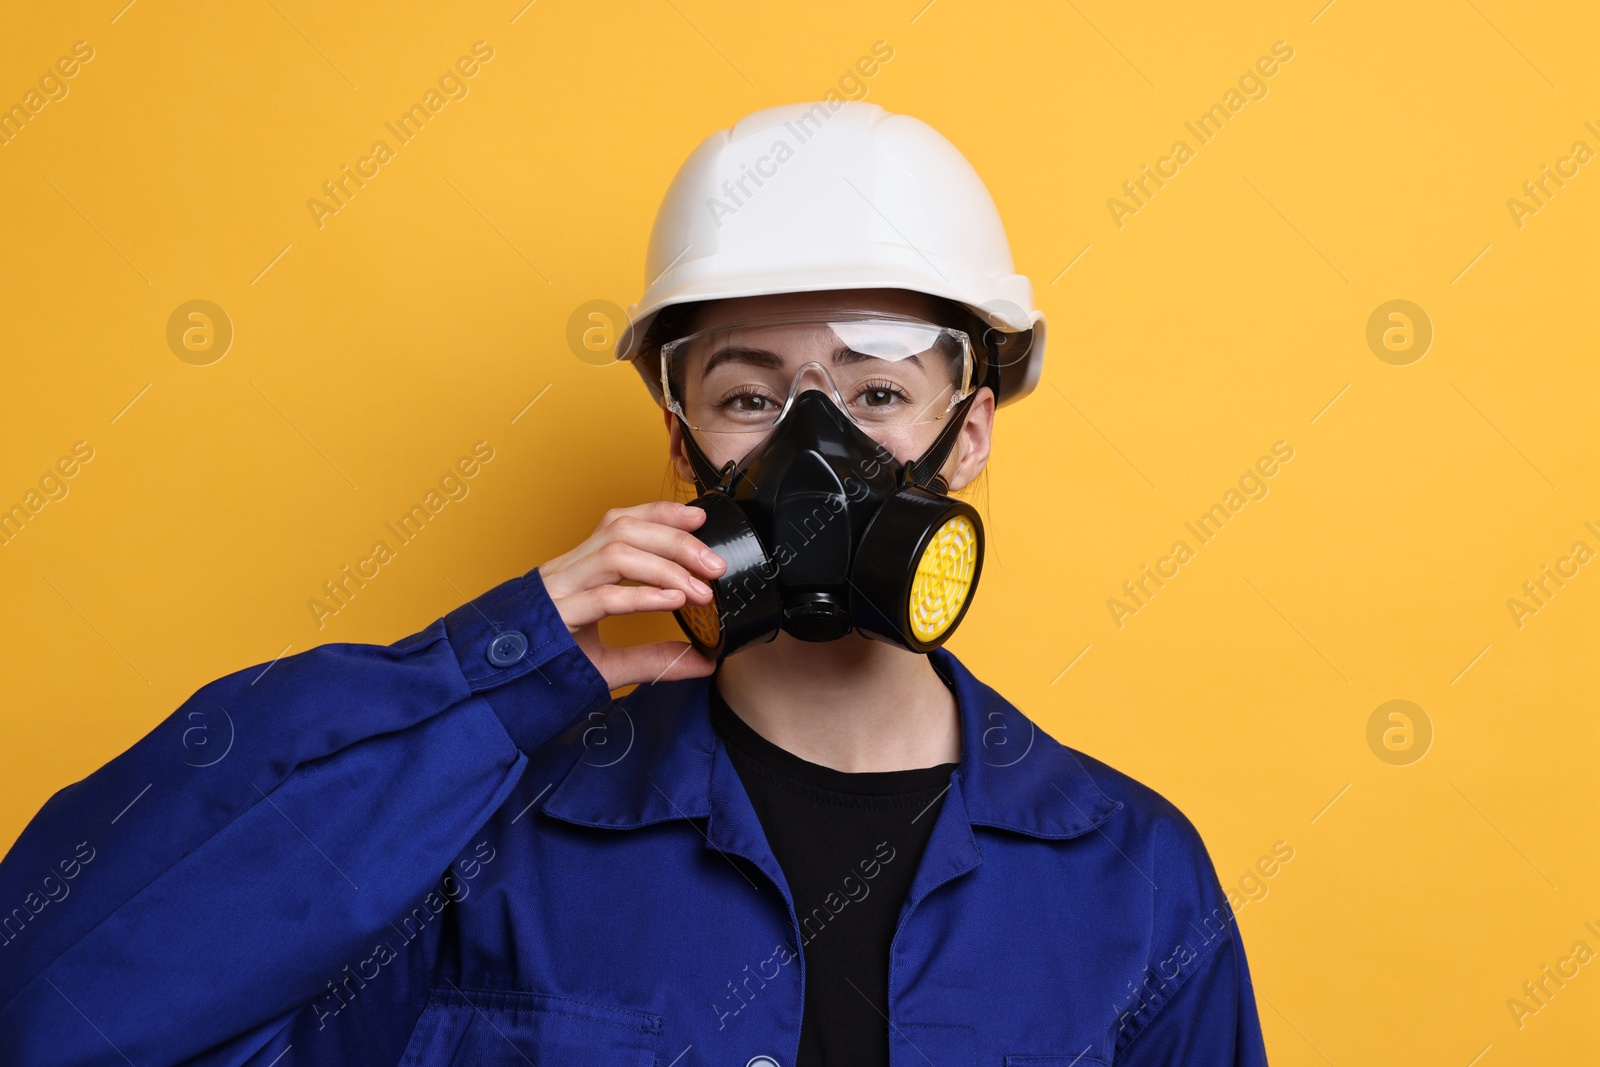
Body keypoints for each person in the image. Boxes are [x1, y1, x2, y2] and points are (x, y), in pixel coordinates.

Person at [0, 102, 1268, 1066]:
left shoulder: (1131, 874)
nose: (810, 446)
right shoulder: (493, 830)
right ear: (683, 444)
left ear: (970, 431)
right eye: (749, 394)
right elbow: (56, 1003)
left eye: (877, 392)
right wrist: (490, 671)